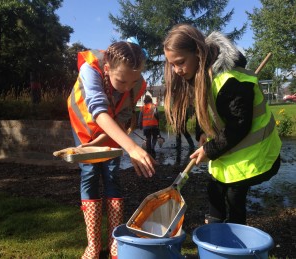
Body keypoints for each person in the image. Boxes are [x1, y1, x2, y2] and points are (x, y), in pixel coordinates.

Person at [163, 24, 281, 225]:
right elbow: (206, 108)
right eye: (172, 64)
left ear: (198, 53)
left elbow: (238, 126)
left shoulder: (230, 82)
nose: (176, 70)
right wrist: (201, 131)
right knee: (214, 189)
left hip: (256, 154)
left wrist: (209, 149)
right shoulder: (199, 76)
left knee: (234, 195)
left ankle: (236, 238)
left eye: (180, 62)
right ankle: (214, 228)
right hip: (231, 150)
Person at [67, 39, 156, 259]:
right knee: (89, 174)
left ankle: (115, 241)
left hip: (113, 131)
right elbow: (97, 110)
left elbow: (124, 116)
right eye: (122, 81)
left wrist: (102, 142)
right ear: (107, 69)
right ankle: (93, 245)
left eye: (133, 81)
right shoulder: (91, 69)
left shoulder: (136, 81)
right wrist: (132, 147)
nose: (128, 87)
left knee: (112, 175)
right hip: (85, 128)